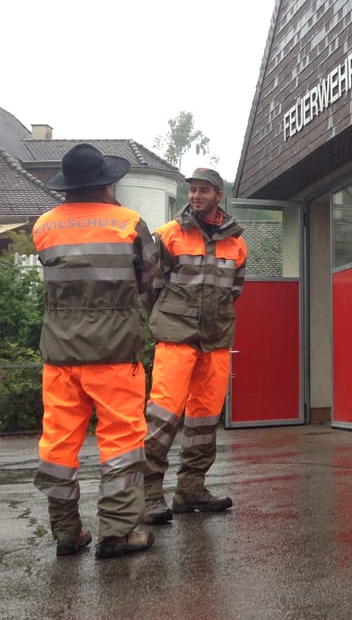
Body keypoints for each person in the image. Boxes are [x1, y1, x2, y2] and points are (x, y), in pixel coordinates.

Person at [32, 143, 158, 559]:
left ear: (65, 187)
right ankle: (120, 533)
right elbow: (147, 284)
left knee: (58, 444)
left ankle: (68, 533)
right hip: (115, 352)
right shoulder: (129, 223)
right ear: (107, 183)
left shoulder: (43, 226)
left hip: (60, 356)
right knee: (121, 440)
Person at [142, 168, 247, 524]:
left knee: (204, 418)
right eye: (192, 190)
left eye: (203, 191)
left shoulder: (237, 242)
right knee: (163, 416)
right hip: (176, 336)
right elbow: (151, 288)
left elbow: (235, 289)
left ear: (219, 195)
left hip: (216, 339)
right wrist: (166, 320)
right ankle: (150, 493)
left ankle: (190, 489)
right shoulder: (169, 235)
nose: (196, 196)